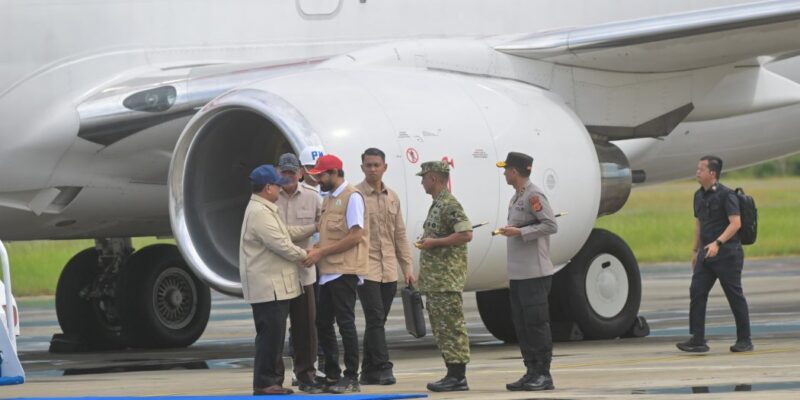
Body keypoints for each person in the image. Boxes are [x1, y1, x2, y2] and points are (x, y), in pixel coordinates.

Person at [239, 164, 315, 396]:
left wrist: (315, 227)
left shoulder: (264, 208)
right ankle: (264, 383)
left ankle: (269, 380)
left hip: (273, 285)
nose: (279, 190)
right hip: (268, 286)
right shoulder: (261, 213)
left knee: (272, 335)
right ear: (268, 187)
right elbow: (281, 244)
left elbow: (286, 233)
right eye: (277, 186)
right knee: (270, 336)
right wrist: (308, 256)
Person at [303, 154, 369, 394]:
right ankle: (332, 374)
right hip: (328, 272)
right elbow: (328, 235)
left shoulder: (352, 197)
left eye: (322, 175)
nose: (318, 179)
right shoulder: (329, 199)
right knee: (322, 322)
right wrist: (315, 251)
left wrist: (322, 252)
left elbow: (355, 236)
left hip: (345, 271)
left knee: (345, 323)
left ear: (334, 172)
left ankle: (352, 376)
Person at [495, 152, 558, 391]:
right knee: (521, 325)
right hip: (519, 274)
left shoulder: (534, 195)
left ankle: (543, 373)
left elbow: (550, 225)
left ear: (515, 171)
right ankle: (531, 370)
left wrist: (521, 232)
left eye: (506, 169)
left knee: (536, 324)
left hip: (535, 273)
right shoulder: (516, 198)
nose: (504, 174)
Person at [677, 155, 752, 353]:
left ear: (712, 173)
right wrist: (695, 250)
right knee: (697, 292)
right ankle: (698, 339)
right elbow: (699, 223)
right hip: (706, 255)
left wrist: (718, 243)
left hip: (727, 254)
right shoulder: (698, 195)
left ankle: (745, 340)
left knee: (734, 296)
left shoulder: (727, 195)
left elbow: (736, 223)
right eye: (697, 168)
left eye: (701, 169)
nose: (697, 172)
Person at [355, 148, 416, 385]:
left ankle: (368, 370)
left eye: (376, 165)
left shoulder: (393, 197)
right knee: (375, 317)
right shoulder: (355, 196)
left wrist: (407, 267)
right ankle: (383, 367)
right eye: (368, 165)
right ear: (362, 168)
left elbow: (400, 234)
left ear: (384, 167)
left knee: (378, 321)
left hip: (389, 268)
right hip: (365, 268)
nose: (372, 169)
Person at [415, 160, 473, 392]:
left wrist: (434, 242)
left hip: (446, 280)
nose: (422, 182)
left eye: (424, 177)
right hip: (436, 281)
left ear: (434, 178)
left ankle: (458, 376)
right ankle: (452, 372)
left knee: (451, 327)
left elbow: (466, 233)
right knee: (442, 329)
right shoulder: (437, 204)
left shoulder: (449, 204)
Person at [275, 153, 323, 393]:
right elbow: (280, 234)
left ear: (301, 173)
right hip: (276, 273)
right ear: (277, 172)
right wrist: (312, 228)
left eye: (292, 172)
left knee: (306, 327)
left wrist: (317, 247)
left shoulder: (314, 198)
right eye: (283, 172)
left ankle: (306, 374)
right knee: (275, 328)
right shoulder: (269, 196)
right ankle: (275, 379)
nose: (288, 176)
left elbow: (327, 229)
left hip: (304, 272)